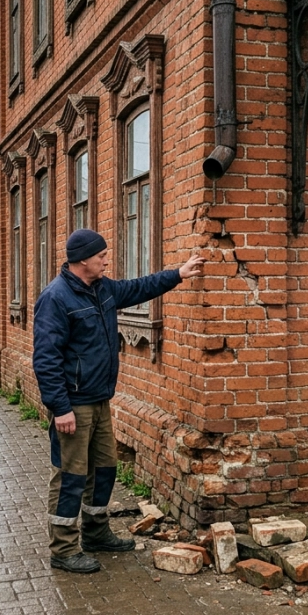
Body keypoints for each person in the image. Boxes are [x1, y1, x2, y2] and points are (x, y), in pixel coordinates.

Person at [33, 228, 204, 574]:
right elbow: (46, 359)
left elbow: (139, 287)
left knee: (104, 470)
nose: (106, 260)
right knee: (70, 476)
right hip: (74, 404)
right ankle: (63, 549)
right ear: (83, 259)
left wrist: (178, 274)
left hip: (99, 399)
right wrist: (61, 408)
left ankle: (96, 533)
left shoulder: (103, 289)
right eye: (101, 256)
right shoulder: (56, 298)